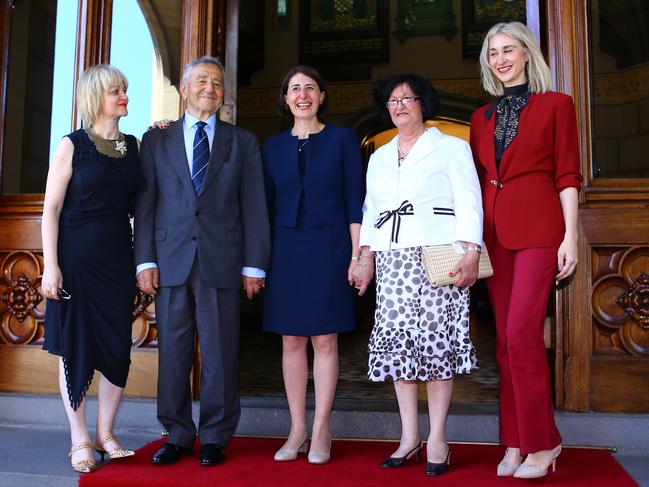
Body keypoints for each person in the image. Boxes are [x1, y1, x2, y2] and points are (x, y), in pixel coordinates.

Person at [134, 55, 270, 467]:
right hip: (170, 258)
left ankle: (215, 435)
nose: (209, 88)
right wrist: (144, 262)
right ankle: (176, 433)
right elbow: (146, 202)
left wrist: (254, 264)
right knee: (173, 352)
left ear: (223, 92)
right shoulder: (156, 140)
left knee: (220, 352)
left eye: (216, 82)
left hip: (223, 261)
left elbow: (254, 206)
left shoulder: (242, 141)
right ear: (184, 88)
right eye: (201, 81)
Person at [353, 73, 484, 476]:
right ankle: (409, 437)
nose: (400, 106)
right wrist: (365, 258)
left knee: (435, 347)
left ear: (423, 103)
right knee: (399, 349)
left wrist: (472, 250)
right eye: (393, 100)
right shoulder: (378, 155)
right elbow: (371, 211)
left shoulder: (451, 147)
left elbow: (469, 200)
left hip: (438, 254)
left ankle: (439, 439)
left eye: (408, 98)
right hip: (392, 260)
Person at [469, 22, 582, 479]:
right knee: (504, 344)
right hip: (495, 238)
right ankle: (514, 440)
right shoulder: (480, 118)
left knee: (521, 334)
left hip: (540, 232)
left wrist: (570, 236)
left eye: (508, 50)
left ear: (527, 53)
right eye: (493, 52)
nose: (500, 59)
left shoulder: (557, 105)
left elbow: (568, 175)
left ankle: (545, 443)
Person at [41, 64, 142, 473]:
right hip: (76, 261)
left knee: (118, 347)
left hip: (119, 260)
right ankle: (79, 437)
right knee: (76, 347)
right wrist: (51, 266)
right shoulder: (72, 145)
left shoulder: (135, 146)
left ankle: (106, 433)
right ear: (95, 96)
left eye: (125, 89)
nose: (123, 96)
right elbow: (50, 209)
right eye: (115, 90)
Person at [262, 65, 363, 465]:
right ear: (286, 99)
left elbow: (355, 202)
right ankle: (297, 429)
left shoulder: (342, 139)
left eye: (310, 88)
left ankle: (321, 428)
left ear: (322, 96)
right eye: (294, 89)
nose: (302, 94)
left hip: (331, 246)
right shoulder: (270, 147)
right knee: (290, 339)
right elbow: (262, 205)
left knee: (324, 339)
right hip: (285, 248)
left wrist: (358, 256)